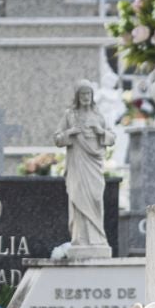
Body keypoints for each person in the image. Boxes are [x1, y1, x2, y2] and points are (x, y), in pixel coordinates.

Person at [54, 81, 115, 254]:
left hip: (94, 164)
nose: (86, 97)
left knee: (96, 198)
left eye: (88, 94)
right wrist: (70, 133)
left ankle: (97, 238)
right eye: (82, 94)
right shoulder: (70, 116)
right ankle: (80, 238)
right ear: (77, 97)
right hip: (77, 164)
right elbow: (57, 138)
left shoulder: (99, 116)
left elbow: (112, 137)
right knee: (78, 196)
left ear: (92, 96)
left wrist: (100, 132)